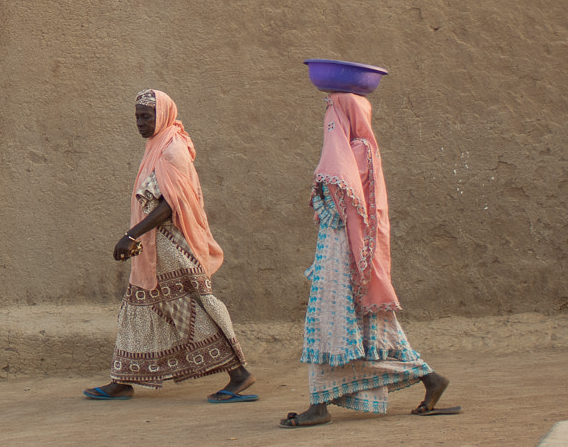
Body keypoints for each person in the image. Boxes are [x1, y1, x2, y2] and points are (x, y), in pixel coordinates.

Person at [280, 91, 460, 428]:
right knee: (361, 329)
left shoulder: (356, 152)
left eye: (332, 115)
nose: (328, 123)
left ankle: (320, 406)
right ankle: (429, 377)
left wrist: (320, 196)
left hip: (342, 251)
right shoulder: (360, 151)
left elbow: (339, 209)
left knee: (331, 323)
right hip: (344, 250)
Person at [83, 89, 255, 402]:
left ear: (162, 115)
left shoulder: (173, 149)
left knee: (193, 308)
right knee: (138, 306)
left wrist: (132, 234)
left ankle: (239, 373)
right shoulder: (157, 146)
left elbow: (169, 205)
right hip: (154, 247)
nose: (140, 122)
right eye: (137, 116)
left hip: (174, 247)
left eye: (146, 116)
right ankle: (123, 379)